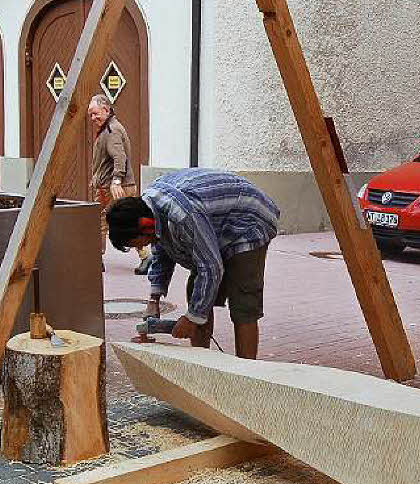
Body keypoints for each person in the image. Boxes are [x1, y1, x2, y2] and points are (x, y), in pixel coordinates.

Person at [105, 169, 280, 359]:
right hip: (215, 221)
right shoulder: (148, 211)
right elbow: (161, 251)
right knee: (196, 292)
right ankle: (202, 364)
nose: (140, 247)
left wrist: (192, 318)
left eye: (137, 243)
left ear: (146, 226)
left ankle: (248, 374)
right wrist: (154, 299)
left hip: (249, 220)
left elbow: (211, 268)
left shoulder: (182, 216)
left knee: (243, 301)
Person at [87, 95, 151, 274]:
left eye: (95, 114)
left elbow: (119, 157)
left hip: (114, 188)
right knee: (124, 220)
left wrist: (116, 180)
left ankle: (145, 256)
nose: (93, 118)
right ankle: (145, 256)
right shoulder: (109, 128)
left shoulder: (111, 131)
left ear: (106, 110)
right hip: (111, 186)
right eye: (90, 115)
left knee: (113, 221)